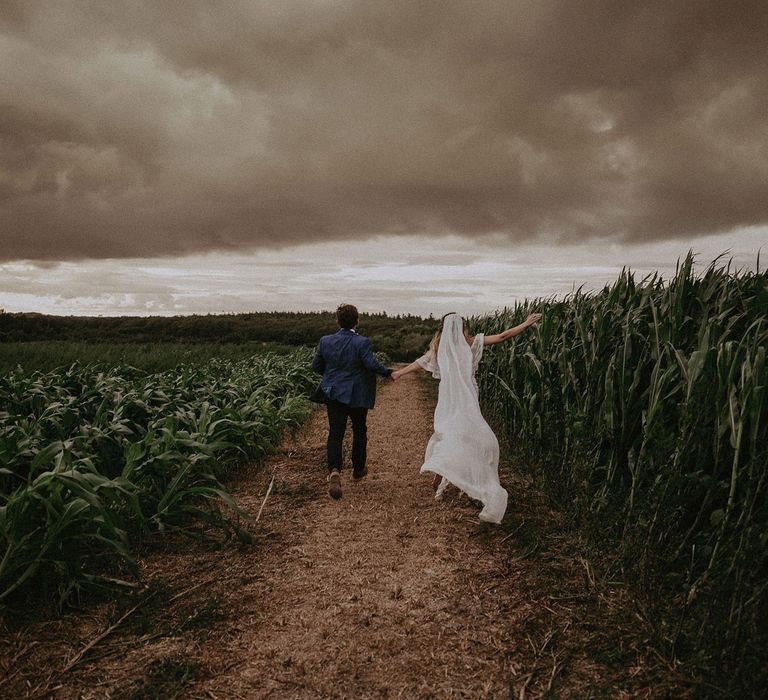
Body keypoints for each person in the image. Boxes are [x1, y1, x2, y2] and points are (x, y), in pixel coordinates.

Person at [391, 311, 541, 523]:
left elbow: (419, 363)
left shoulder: (439, 347)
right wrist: (525, 324)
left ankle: (442, 470)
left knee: (448, 431)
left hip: (448, 397)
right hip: (468, 395)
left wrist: (399, 373)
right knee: (472, 433)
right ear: (463, 327)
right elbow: (503, 336)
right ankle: (450, 471)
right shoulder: (472, 342)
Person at [312, 304, 394, 499]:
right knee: (359, 430)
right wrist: (387, 372)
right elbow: (370, 363)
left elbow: (316, 366)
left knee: (335, 433)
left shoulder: (325, 341)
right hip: (356, 395)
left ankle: (334, 470)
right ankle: (358, 469)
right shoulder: (362, 342)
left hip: (333, 394)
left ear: (338, 321)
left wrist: (334, 376)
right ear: (357, 321)